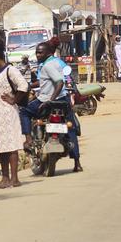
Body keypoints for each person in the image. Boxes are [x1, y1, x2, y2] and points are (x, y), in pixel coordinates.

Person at [20, 41, 83, 172]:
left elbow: (59, 82)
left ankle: (28, 139)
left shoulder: (47, 65)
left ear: (48, 52)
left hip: (49, 100)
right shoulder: (57, 63)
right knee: (70, 128)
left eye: (40, 52)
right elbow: (52, 80)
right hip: (64, 101)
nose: (37, 55)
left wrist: (50, 100)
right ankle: (77, 163)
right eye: (36, 52)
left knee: (24, 112)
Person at [0, 39, 29, 188]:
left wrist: (14, 100)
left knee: (11, 145)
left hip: (7, 113)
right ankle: (5, 179)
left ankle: (14, 179)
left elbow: (24, 85)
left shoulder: (10, 70)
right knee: (2, 147)